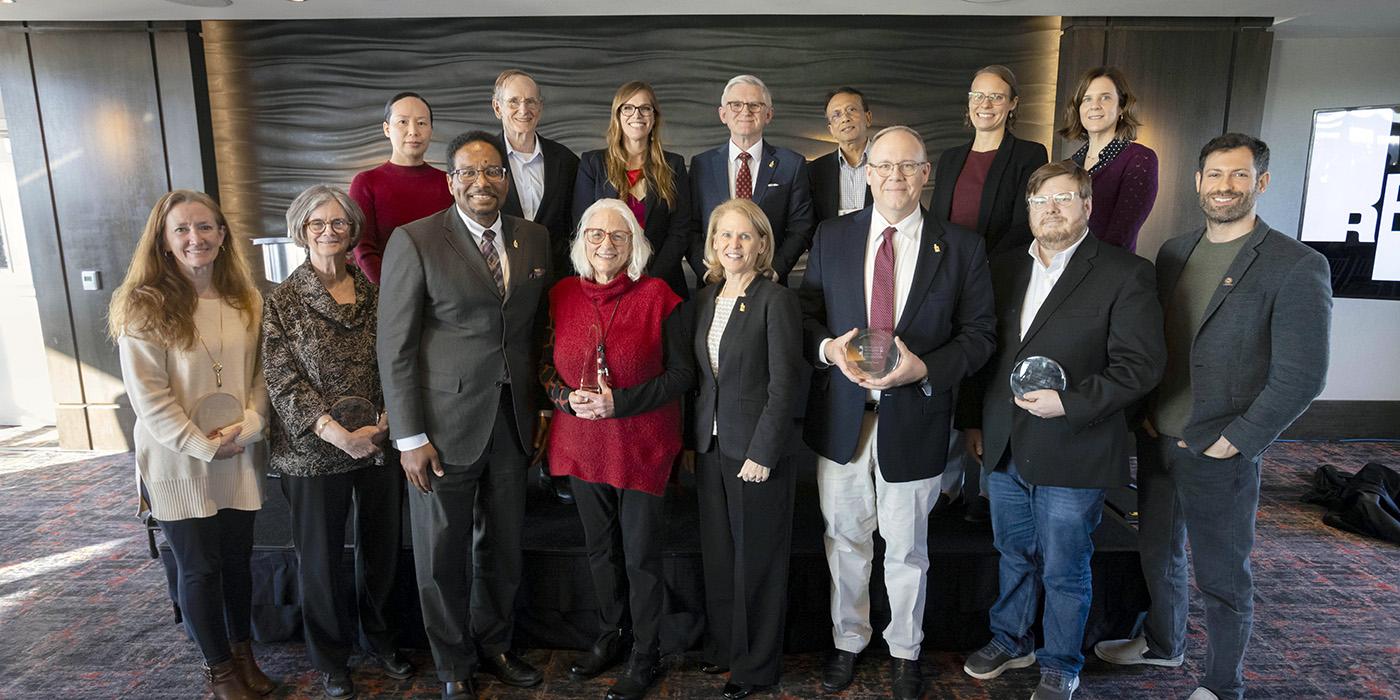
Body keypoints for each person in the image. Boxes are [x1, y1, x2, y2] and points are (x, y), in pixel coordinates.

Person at [1095, 134, 1332, 700]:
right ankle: (1164, 644)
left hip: (1219, 449)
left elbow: (1303, 376)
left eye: (1239, 176)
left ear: (1261, 183)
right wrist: (1145, 412)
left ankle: (1224, 684)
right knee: (1158, 552)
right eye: (1216, 175)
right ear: (1198, 182)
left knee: (1222, 577)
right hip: (1159, 438)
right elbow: (1154, 345)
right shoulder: (1174, 252)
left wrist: (1238, 440)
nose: (1226, 186)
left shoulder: (1296, 265)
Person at [956, 162, 1165, 700]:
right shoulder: (1002, 268)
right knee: (1013, 553)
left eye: (1065, 198)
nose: (1052, 210)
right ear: (1028, 211)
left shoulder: (1125, 272)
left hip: (1077, 446)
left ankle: (1060, 662)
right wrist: (975, 420)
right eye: (1041, 201)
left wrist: (1070, 404)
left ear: (1087, 206)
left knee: (1066, 567)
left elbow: (1140, 367)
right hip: (1003, 445)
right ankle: (1011, 639)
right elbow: (985, 355)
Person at [800, 126, 996, 700]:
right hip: (844, 421)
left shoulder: (961, 247)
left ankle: (905, 650)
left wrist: (925, 369)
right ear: (868, 173)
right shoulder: (832, 236)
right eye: (883, 166)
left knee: (908, 548)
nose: (894, 177)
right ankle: (848, 641)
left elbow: (981, 335)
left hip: (916, 419)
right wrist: (828, 349)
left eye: (907, 167)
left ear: (925, 172)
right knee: (844, 539)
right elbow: (806, 315)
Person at [377, 130, 551, 699]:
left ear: (506, 179)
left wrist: (545, 408)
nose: (483, 182)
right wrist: (409, 436)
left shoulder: (535, 238)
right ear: (451, 181)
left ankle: (495, 644)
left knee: (502, 546)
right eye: (469, 172)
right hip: (441, 429)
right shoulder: (416, 240)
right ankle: (453, 663)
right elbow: (395, 347)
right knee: (441, 553)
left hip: (512, 421)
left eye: (494, 171)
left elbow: (535, 332)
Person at [108, 190, 273, 700]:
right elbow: (150, 400)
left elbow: (260, 379)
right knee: (200, 568)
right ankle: (219, 670)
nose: (194, 238)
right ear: (163, 240)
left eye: (205, 227)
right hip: (178, 460)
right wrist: (203, 445)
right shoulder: (142, 306)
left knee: (238, 562)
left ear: (223, 236)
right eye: (181, 230)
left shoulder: (246, 300)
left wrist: (245, 429)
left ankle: (244, 656)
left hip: (237, 453)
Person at [262, 185, 414, 699]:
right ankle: (331, 659)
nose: (330, 232)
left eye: (339, 224)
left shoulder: (376, 293)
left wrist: (389, 420)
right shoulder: (281, 300)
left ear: (353, 231)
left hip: (378, 442)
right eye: (317, 224)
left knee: (381, 551)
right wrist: (336, 434)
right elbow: (282, 380)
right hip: (311, 450)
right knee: (321, 561)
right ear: (301, 232)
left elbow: (396, 358)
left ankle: (383, 640)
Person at [541, 198, 694, 700]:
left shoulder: (659, 296)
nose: (605, 244)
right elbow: (542, 368)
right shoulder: (560, 294)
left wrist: (620, 403)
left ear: (635, 245)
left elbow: (682, 375)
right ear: (581, 242)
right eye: (595, 235)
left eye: (618, 236)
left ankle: (646, 653)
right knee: (601, 550)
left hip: (643, 444)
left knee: (641, 557)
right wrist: (567, 398)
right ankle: (613, 635)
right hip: (582, 443)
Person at [691, 198, 804, 699]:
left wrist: (764, 451)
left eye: (744, 236)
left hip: (755, 450)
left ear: (762, 244)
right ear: (712, 243)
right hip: (711, 445)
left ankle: (756, 666)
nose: (732, 245)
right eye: (724, 236)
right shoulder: (708, 295)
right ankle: (725, 649)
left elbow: (786, 384)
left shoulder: (774, 300)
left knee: (757, 560)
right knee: (719, 556)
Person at [932, 64, 1049, 522]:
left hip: (1000, 280)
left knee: (989, 377)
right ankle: (945, 488)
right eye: (978, 95)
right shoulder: (949, 158)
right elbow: (939, 223)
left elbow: (1027, 222)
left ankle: (984, 491)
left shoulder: (1028, 153)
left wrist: (978, 265)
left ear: (1013, 103)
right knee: (948, 376)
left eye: (997, 96)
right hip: (948, 282)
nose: (986, 103)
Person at [573, 80, 693, 300]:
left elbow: (680, 231)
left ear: (654, 116)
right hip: (606, 284)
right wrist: (615, 277)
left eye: (645, 108)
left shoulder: (674, 165)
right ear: (617, 116)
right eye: (628, 108)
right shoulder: (593, 163)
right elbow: (583, 227)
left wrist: (649, 278)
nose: (637, 114)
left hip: (661, 283)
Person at [690, 74, 815, 284]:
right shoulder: (701, 165)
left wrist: (775, 270)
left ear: (768, 114)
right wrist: (707, 271)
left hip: (769, 285)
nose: (745, 111)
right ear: (723, 114)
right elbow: (691, 227)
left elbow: (800, 227)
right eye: (736, 105)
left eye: (755, 105)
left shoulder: (791, 165)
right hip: (714, 285)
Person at [349, 91, 453, 283]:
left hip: (444, 292)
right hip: (388, 294)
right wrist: (394, 293)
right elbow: (363, 249)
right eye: (403, 122)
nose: (413, 131)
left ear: (431, 129)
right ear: (387, 129)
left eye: (421, 123)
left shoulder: (448, 183)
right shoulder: (366, 182)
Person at [494, 69, 581, 282]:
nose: (524, 109)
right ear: (497, 108)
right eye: (513, 101)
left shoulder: (567, 161)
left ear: (540, 108)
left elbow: (576, 226)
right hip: (499, 282)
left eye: (531, 101)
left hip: (556, 281)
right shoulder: (483, 160)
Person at [1059, 66, 1158, 252]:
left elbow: (1121, 235)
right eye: (1087, 99)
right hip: (1061, 268)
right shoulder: (1067, 166)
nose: (1094, 105)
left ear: (1121, 107)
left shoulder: (1139, 159)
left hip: (1107, 271)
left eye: (1105, 97)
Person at [810, 87, 874, 225]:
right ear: (831, 130)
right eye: (836, 115)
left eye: (851, 110)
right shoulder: (814, 172)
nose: (845, 118)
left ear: (868, 118)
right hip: (832, 245)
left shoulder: (890, 163)